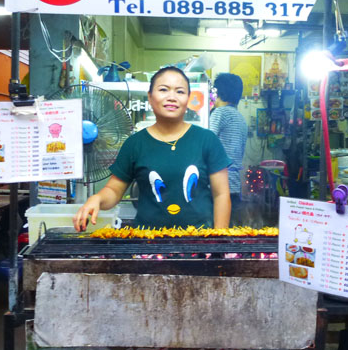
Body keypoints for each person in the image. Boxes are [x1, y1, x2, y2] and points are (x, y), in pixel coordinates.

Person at [73, 66, 231, 231]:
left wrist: (218, 238)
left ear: (188, 99)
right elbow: (113, 190)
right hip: (148, 240)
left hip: (199, 240)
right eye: (163, 90)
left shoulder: (207, 140)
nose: (172, 97)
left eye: (180, 91)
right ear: (150, 97)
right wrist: (97, 199)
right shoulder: (135, 144)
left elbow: (221, 194)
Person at [209, 73, 248, 226]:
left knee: (215, 231)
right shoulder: (240, 118)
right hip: (234, 184)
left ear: (218, 92)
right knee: (230, 229)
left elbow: (206, 142)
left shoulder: (220, 113)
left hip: (219, 185)